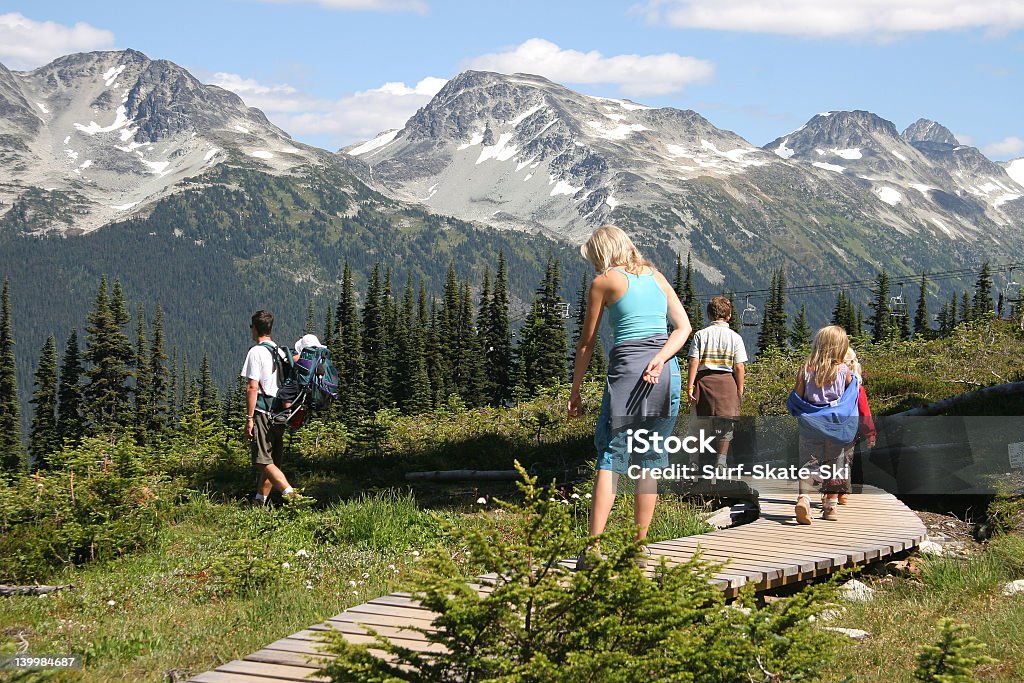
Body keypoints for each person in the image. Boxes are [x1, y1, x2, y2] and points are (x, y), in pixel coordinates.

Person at [568, 225, 692, 569]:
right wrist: (660, 358)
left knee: (612, 455)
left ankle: (593, 549)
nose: (593, 265)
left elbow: (586, 343)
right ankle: (639, 547)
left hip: (628, 371)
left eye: (593, 257)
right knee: (650, 456)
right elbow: (684, 328)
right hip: (666, 372)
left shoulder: (604, 281)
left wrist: (575, 390)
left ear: (602, 253)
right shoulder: (657, 277)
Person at [787, 325, 860, 524]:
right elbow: (850, 399)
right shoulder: (844, 371)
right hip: (836, 427)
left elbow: (797, 398)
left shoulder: (805, 370)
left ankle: (804, 498)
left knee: (809, 463)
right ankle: (830, 507)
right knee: (836, 464)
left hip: (811, 427)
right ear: (840, 348)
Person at [241, 310, 296, 504]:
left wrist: (249, 418)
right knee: (271, 460)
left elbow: (252, 386)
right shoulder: (280, 351)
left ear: (255, 329)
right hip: (281, 412)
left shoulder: (255, 352)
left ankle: (294, 497)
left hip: (263, 411)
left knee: (262, 460)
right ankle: (259, 500)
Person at [687, 295, 747, 469]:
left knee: (697, 425)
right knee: (726, 425)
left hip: (704, 381)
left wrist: (690, 386)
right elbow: (739, 367)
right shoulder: (735, 338)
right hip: (727, 383)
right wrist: (739, 390)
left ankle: (693, 462)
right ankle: (721, 461)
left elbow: (693, 361)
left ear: (709, 315)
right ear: (728, 316)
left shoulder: (700, 335)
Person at [838, 347, 876, 505]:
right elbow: (864, 413)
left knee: (829, 459)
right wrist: (870, 433)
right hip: (849, 430)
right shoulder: (858, 388)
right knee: (845, 460)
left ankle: (828, 492)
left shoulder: (831, 387)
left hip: (828, 427)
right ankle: (843, 493)